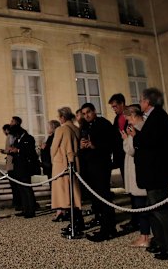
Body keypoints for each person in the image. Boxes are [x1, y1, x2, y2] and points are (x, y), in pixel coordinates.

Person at [129, 87, 168, 260]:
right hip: (152, 172)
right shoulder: (154, 117)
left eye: (141, 100)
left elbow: (152, 142)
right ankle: (161, 242)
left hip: (157, 172)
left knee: (162, 210)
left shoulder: (158, 116)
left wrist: (135, 136)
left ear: (147, 101)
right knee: (154, 209)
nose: (140, 103)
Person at [79, 103, 117, 242]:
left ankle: (109, 229)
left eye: (88, 112)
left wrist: (95, 145)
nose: (86, 115)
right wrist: (81, 147)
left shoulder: (103, 123)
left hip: (101, 165)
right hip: (89, 166)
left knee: (104, 197)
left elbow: (112, 144)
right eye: (84, 113)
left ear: (94, 111)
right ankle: (103, 226)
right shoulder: (84, 126)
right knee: (96, 199)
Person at [121, 104, 150, 248]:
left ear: (132, 116)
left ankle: (144, 237)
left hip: (137, 171)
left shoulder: (136, 128)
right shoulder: (146, 126)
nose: (128, 122)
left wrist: (126, 138)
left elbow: (131, 150)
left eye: (128, 118)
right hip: (141, 169)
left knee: (141, 206)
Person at [51, 107, 83, 229]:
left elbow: (54, 148)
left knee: (65, 195)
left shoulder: (61, 129)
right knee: (74, 192)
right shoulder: (76, 128)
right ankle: (76, 221)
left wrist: (53, 159)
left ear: (63, 117)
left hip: (62, 164)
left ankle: (74, 223)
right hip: (74, 161)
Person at [7, 119, 38, 218]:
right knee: (21, 189)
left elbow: (30, 152)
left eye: (15, 134)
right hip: (18, 167)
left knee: (27, 188)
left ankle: (31, 210)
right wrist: (11, 151)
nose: (14, 137)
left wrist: (18, 150)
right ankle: (25, 209)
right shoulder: (17, 139)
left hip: (25, 167)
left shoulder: (29, 138)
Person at [0, 120, 21, 211]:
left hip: (12, 164)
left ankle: (17, 203)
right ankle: (17, 202)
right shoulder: (13, 136)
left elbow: (11, 149)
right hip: (12, 163)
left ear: (6, 130)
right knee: (15, 185)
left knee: (14, 185)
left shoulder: (10, 136)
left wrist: (4, 151)